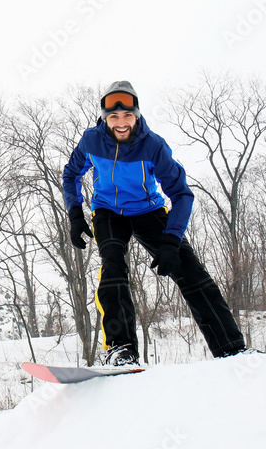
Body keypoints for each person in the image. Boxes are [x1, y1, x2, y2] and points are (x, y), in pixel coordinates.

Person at [62, 81, 248, 366]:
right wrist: (75, 213)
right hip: (108, 211)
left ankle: (232, 349)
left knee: (190, 270)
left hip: (148, 210)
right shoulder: (91, 141)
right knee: (112, 266)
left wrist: (172, 240)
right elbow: (71, 173)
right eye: (114, 117)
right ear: (104, 118)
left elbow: (181, 194)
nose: (121, 123)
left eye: (127, 116)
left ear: (136, 115)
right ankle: (120, 349)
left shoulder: (153, 146)